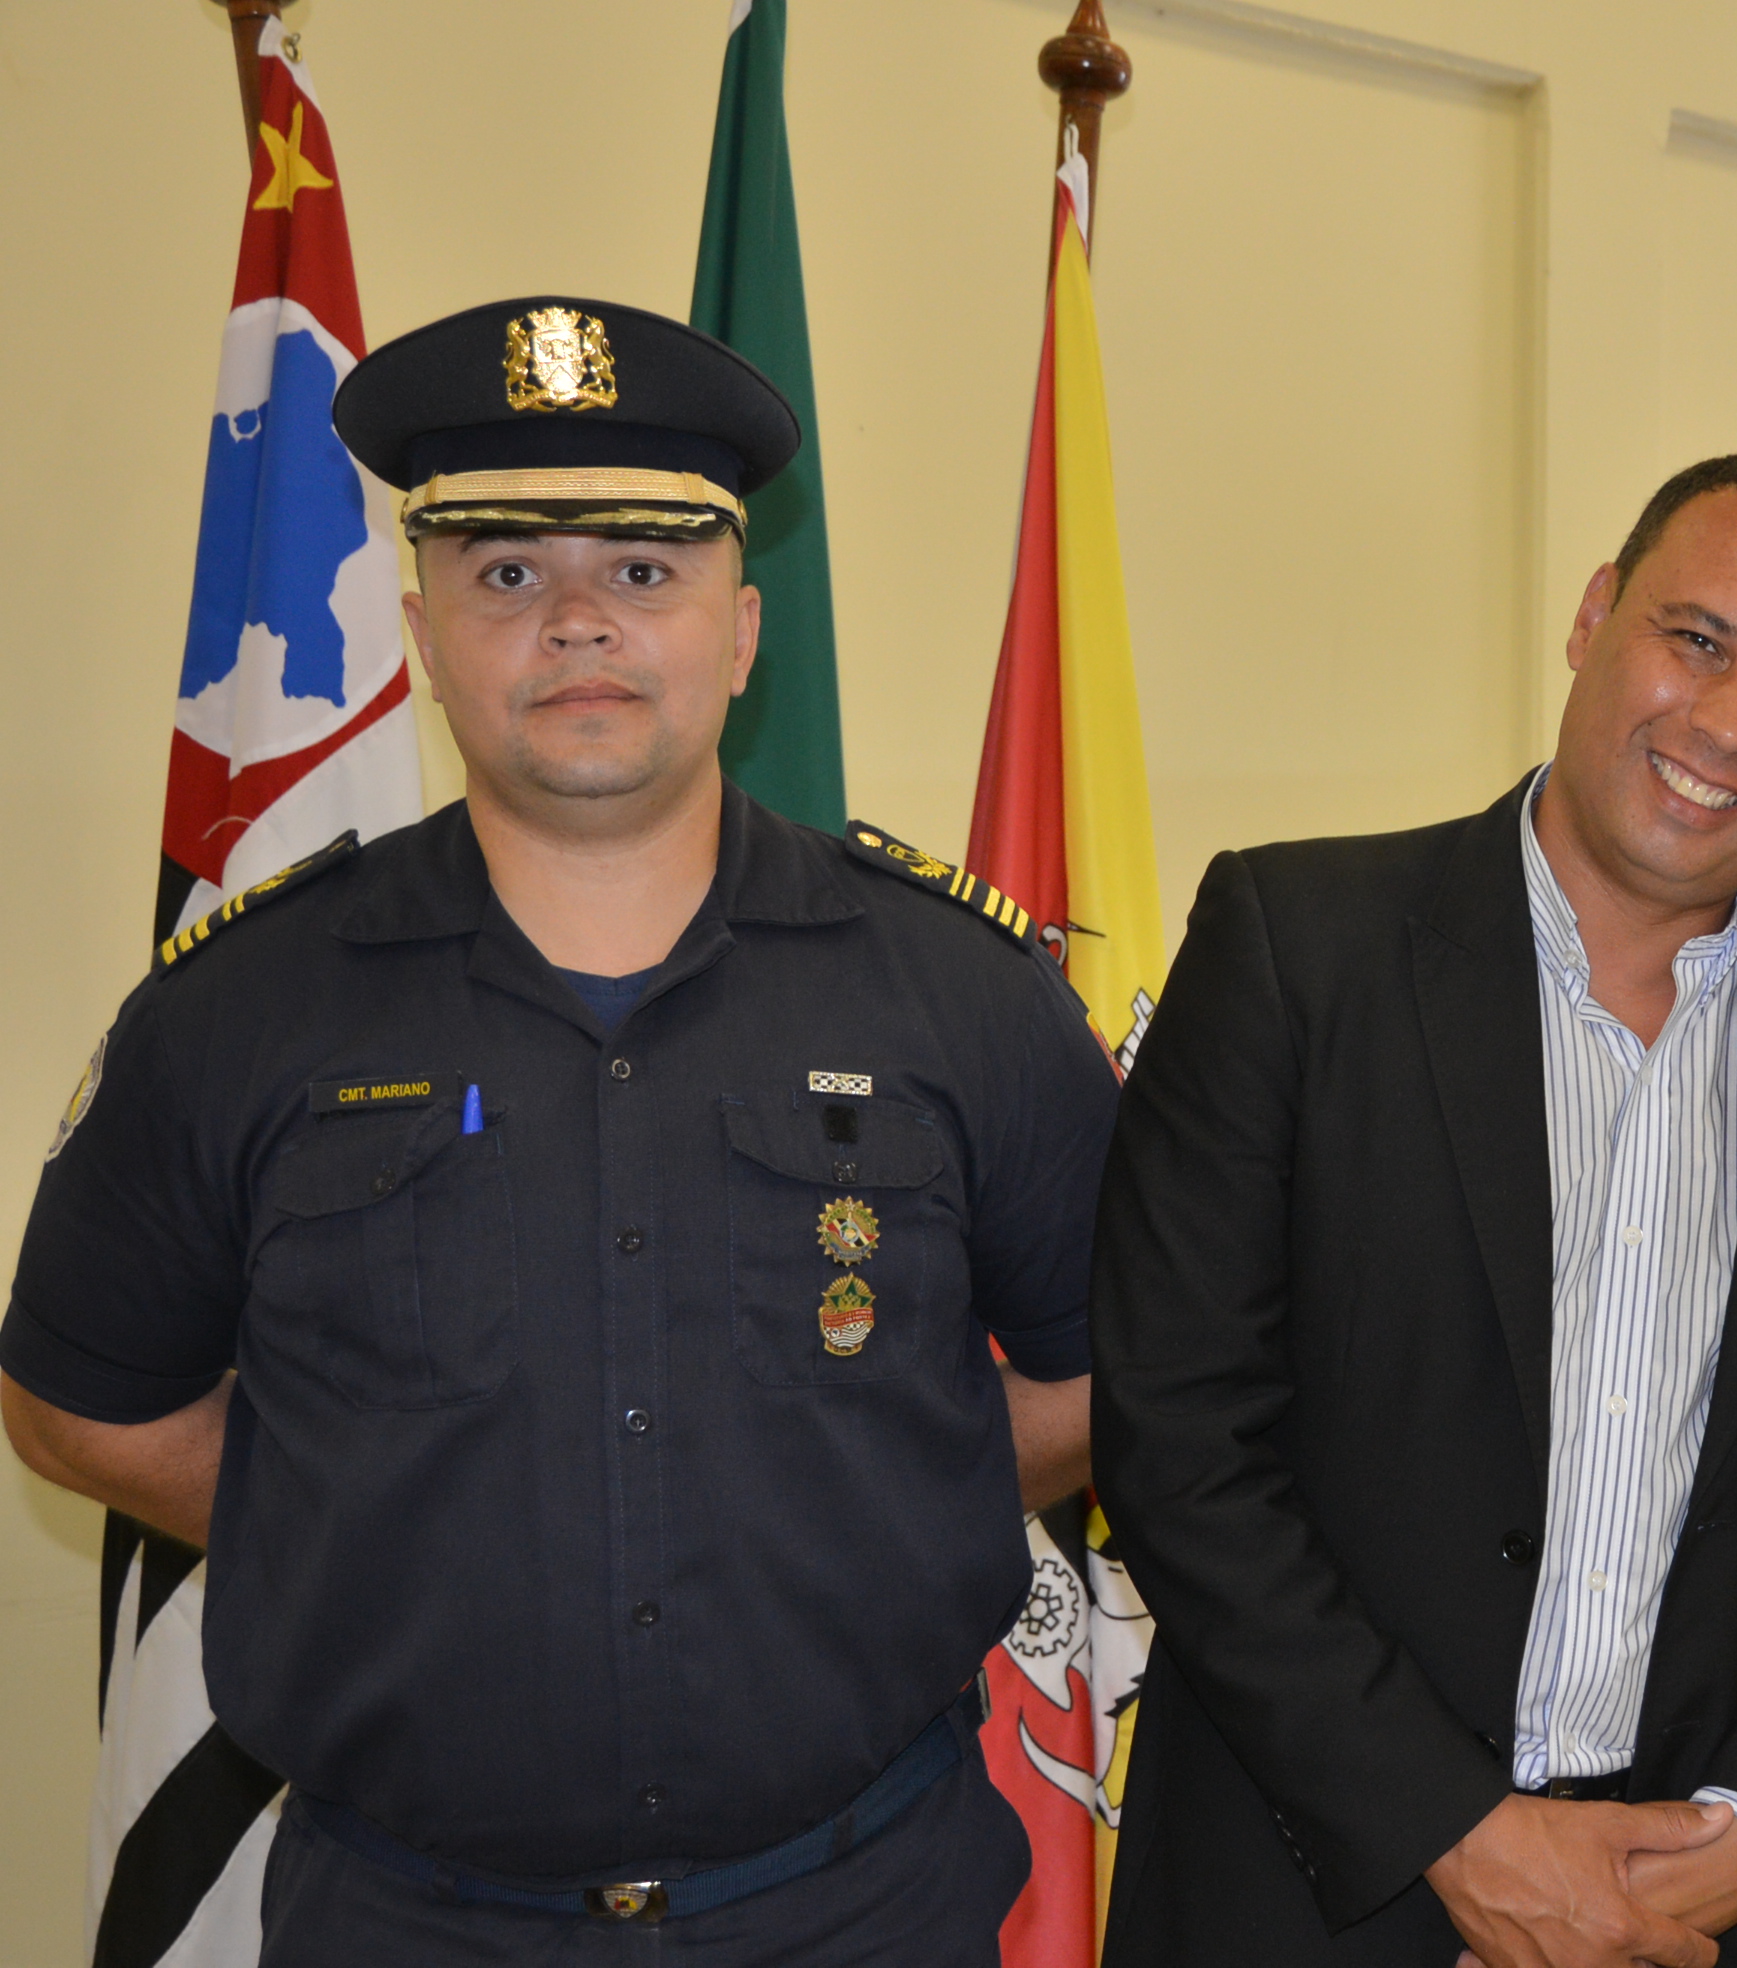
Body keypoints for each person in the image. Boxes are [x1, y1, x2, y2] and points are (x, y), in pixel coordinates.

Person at [0, 297, 1118, 1962]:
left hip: (860, 1909)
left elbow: (1119, 1364)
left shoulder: (962, 993)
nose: (580, 619)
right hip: (407, 1921)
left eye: (645, 569)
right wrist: (360, 1506)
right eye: (509, 570)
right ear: (421, 631)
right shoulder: (237, 1012)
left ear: (742, 631)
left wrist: (888, 1483)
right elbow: (77, 1403)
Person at [1090, 455, 1737, 1968]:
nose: (1730, 726)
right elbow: (1180, 1440)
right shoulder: (1297, 947)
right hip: (1315, 1882)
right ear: (1594, 616)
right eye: (1696, 640)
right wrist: (1456, 1832)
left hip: (1697, 1908)